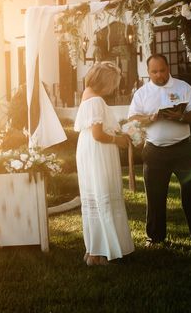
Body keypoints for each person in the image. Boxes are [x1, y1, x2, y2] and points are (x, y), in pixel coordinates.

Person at [128, 54, 191, 246]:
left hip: (183, 149)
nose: (159, 75)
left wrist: (180, 117)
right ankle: (155, 237)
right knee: (155, 195)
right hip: (154, 151)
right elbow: (133, 119)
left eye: (162, 70)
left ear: (168, 68)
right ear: (148, 72)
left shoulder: (183, 87)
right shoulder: (142, 93)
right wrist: (150, 118)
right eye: (154, 72)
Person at [74, 61, 135, 266]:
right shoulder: (96, 101)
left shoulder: (87, 96)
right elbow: (98, 134)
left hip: (89, 149)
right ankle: (99, 253)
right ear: (105, 82)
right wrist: (117, 140)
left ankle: (94, 249)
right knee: (102, 194)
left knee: (95, 194)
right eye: (114, 83)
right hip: (97, 150)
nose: (115, 88)